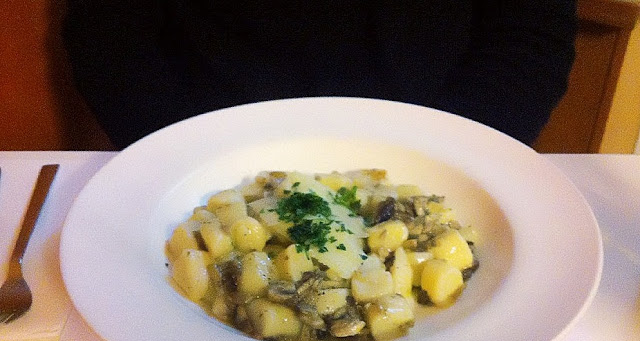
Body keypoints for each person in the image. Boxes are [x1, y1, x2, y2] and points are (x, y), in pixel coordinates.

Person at [63, 1, 577, 150]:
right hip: (205, 158)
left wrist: (444, 163)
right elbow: (109, 40)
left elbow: (528, 40)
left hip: (440, 153)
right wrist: (198, 164)